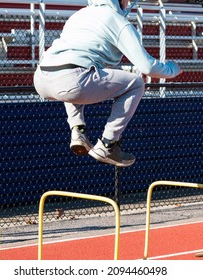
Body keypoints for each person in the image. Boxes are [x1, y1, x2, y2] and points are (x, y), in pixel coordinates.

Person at [33, 0, 182, 167]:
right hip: (73, 80)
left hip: (41, 78)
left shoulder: (79, 15)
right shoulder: (118, 21)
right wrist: (172, 69)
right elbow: (147, 66)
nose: (128, 3)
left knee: (74, 73)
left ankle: (77, 131)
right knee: (136, 83)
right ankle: (108, 144)